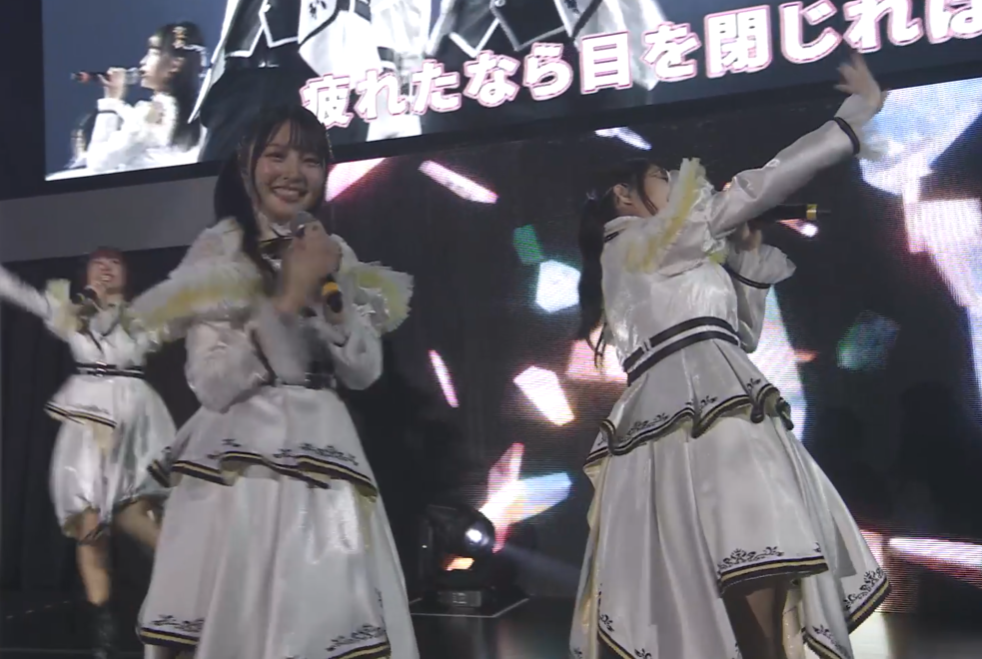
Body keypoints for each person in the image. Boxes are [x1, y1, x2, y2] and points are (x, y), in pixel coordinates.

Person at [570, 53, 890, 659]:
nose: (678, 183)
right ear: (623, 194)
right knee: (741, 551)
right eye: (662, 176)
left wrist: (742, 259)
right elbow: (751, 187)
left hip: (724, 399)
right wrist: (847, 124)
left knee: (764, 548)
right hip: (686, 417)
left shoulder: (673, 248)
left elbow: (737, 334)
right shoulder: (630, 243)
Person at [131, 104, 418, 659]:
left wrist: (331, 302)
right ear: (248, 165)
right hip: (245, 470)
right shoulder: (219, 252)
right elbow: (211, 383)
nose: (293, 172)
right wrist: (284, 300)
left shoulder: (334, 251)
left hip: (327, 454)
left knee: (330, 619)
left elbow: (364, 372)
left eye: (310, 160)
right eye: (277, 155)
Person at [0, 249, 175, 659]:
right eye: (98, 262)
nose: (106, 268)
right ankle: (104, 633)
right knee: (88, 525)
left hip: (134, 424)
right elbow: (19, 292)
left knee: (140, 516)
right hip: (86, 423)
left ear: (127, 274)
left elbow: (189, 315)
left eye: (115, 262)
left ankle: (182, 606)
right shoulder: (70, 312)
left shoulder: (146, 315)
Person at [195, 0, 423, 161]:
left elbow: (401, 25)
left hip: (325, 81)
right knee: (215, 192)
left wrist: (396, 116)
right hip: (242, 78)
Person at [85, 22, 207, 174]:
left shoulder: (151, 114)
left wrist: (111, 102)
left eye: (153, 53)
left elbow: (97, 163)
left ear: (175, 64)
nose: (142, 61)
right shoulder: (202, 116)